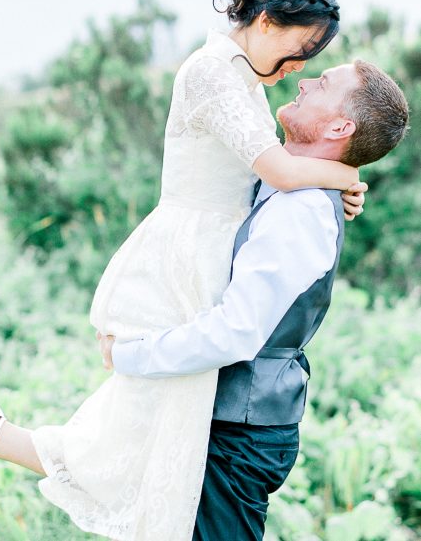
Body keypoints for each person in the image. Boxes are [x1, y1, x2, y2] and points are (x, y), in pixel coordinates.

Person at [0, 0, 366, 541]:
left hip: (211, 261)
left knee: (153, 454)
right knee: (143, 452)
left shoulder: (246, 79)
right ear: (269, 22)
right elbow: (277, 171)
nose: (298, 67)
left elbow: (259, 183)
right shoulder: (211, 71)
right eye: (300, 50)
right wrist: (343, 175)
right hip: (185, 265)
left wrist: (335, 192)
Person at [99, 58, 409, 540]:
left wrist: (129, 354)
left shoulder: (302, 210)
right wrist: (342, 177)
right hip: (226, 415)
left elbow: (235, 332)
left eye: (323, 82)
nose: (306, 81)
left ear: (340, 124)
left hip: (242, 429)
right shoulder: (293, 185)